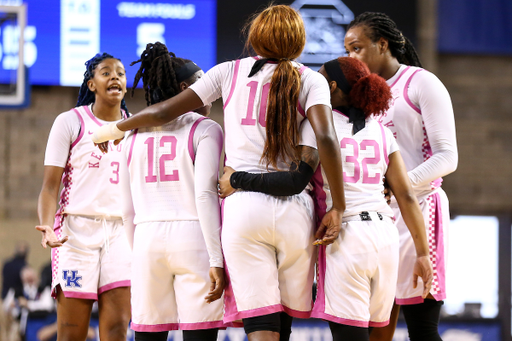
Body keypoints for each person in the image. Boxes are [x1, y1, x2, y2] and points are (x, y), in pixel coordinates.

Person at [92, 5, 346, 341]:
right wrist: (338, 206)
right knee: (283, 321)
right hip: (293, 207)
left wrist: (116, 128)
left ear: (255, 36)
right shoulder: (311, 79)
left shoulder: (229, 71)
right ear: (299, 41)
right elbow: (326, 137)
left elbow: (166, 110)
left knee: (260, 322)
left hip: (242, 207)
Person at [219, 56, 433, 341]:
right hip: (386, 235)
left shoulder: (317, 124)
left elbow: (295, 179)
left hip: (346, 235)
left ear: (329, 86)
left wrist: (237, 179)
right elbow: (405, 195)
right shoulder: (382, 132)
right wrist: (422, 254)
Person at [344, 12, 458, 341]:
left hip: (420, 210)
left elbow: (448, 156)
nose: (352, 57)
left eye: (357, 48)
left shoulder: (421, 82)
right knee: (376, 329)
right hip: (375, 216)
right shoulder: (358, 97)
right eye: (347, 50)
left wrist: (399, 185)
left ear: (382, 44)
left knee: (422, 328)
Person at [119, 42, 225, 341]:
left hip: (145, 239)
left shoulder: (131, 134)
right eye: (203, 84)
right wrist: (216, 259)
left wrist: (135, 253)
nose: (212, 94)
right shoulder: (205, 128)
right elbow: (205, 196)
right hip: (194, 237)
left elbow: (126, 210)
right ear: (185, 87)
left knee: (149, 335)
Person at [35, 53, 132, 341]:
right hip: (75, 233)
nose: (115, 76)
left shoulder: (134, 126)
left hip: (119, 233)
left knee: (117, 329)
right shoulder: (70, 121)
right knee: (71, 332)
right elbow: (49, 187)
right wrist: (47, 225)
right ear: (91, 84)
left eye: (120, 73)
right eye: (106, 72)